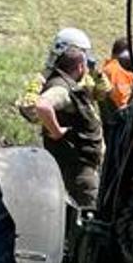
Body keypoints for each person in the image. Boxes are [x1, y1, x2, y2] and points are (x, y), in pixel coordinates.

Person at [35, 45, 104, 208]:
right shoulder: (61, 88)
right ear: (80, 66)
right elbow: (42, 105)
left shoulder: (68, 85)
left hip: (82, 166)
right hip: (78, 169)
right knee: (88, 213)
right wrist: (57, 131)